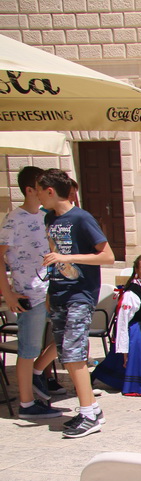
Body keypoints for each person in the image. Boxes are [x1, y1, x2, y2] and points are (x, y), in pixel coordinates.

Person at [36, 169, 115, 438]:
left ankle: (89, 413)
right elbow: (54, 254)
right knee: (66, 355)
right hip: (59, 292)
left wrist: (68, 258)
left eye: (39, 190)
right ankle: (91, 409)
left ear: (50, 191)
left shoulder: (81, 218)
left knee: (74, 354)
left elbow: (107, 256)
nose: (36, 196)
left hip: (80, 295)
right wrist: (51, 289)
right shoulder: (49, 218)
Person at [0, 166, 60, 418]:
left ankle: (38, 373)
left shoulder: (46, 216)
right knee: (28, 350)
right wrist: (9, 294)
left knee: (67, 335)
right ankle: (27, 404)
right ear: (30, 190)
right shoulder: (14, 219)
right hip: (29, 295)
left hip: (49, 291)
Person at [92, 254, 141, 395]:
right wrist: (124, 350)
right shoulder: (131, 293)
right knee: (120, 361)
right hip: (135, 333)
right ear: (137, 270)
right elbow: (122, 321)